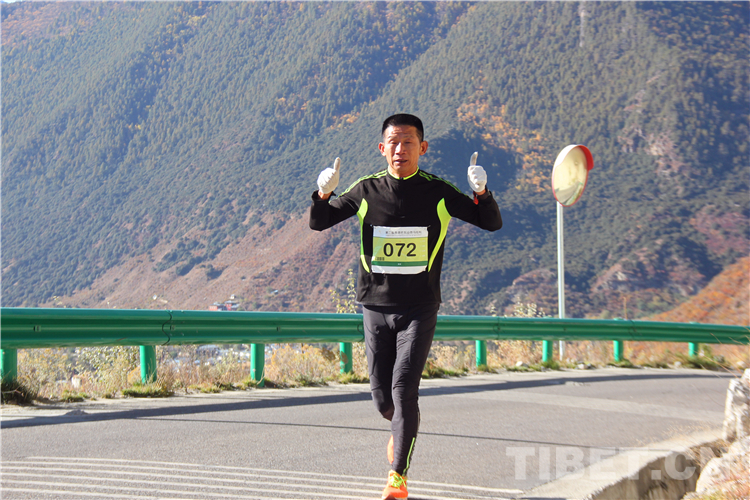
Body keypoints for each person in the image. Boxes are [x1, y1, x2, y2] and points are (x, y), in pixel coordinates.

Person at [309, 113, 502, 499]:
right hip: (375, 306)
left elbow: (490, 222)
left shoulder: (438, 192)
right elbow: (320, 222)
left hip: (419, 307)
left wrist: (482, 193)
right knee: (383, 400)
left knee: (403, 390)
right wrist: (322, 194)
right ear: (382, 149)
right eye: (393, 143)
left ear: (422, 148)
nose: (401, 149)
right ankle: (400, 431)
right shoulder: (365, 190)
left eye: (408, 142)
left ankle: (398, 476)